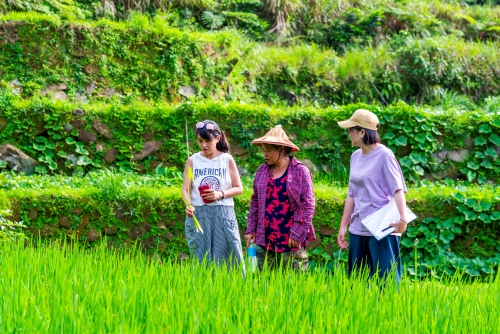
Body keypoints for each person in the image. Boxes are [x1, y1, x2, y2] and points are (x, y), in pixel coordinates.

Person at [337, 109, 408, 282]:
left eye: (350, 130)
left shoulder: (385, 155)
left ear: (362, 132)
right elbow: (352, 194)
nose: (349, 134)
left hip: (382, 226)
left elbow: (397, 189)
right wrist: (343, 225)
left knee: (386, 280)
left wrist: (403, 219)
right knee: (356, 281)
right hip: (358, 226)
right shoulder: (355, 157)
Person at [245, 125, 316, 272]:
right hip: (265, 240)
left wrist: (297, 233)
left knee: (292, 287)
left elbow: (307, 204)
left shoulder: (300, 172)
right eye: (263, 149)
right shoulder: (262, 171)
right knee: (262, 284)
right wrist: (251, 229)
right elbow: (255, 202)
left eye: (268, 150)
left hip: (290, 241)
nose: (264, 154)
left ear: (282, 150)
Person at [182, 120, 244, 270]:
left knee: (230, 262)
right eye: (200, 141)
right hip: (200, 215)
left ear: (218, 139)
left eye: (207, 141)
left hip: (223, 214)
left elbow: (238, 188)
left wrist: (220, 194)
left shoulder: (226, 159)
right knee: (202, 263)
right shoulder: (192, 161)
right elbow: (185, 189)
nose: (203, 145)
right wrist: (188, 205)